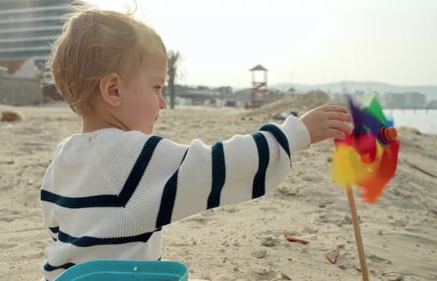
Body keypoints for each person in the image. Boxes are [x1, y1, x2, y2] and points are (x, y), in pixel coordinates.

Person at [39, 6, 352, 281]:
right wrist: (296, 134)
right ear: (114, 91)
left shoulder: (61, 160)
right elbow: (218, 166)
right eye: (156, 87)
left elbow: (60, 238)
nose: (162, 102)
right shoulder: (132, 156)